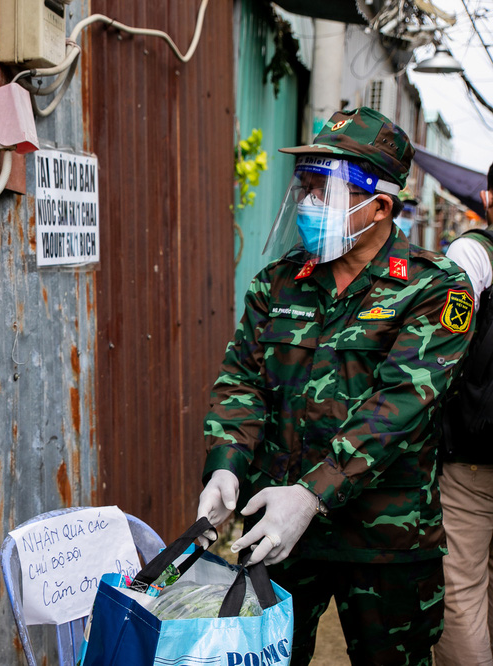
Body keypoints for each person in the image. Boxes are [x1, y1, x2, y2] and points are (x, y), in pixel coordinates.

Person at [195, 107, 474, 665]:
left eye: (328, 188)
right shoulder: (277, 281)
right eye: (308, 184)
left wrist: (311, 494)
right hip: (275, 534)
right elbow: (241, 379)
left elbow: (398, 407)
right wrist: (226, 461)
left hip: (385, 542)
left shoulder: (436, 287)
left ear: (379, 207)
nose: (310, 201)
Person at [434, 162, 493, 666]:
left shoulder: (473, 251)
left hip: (474, 457)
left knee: (463, 589)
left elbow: (441, 340)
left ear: (488, 200)